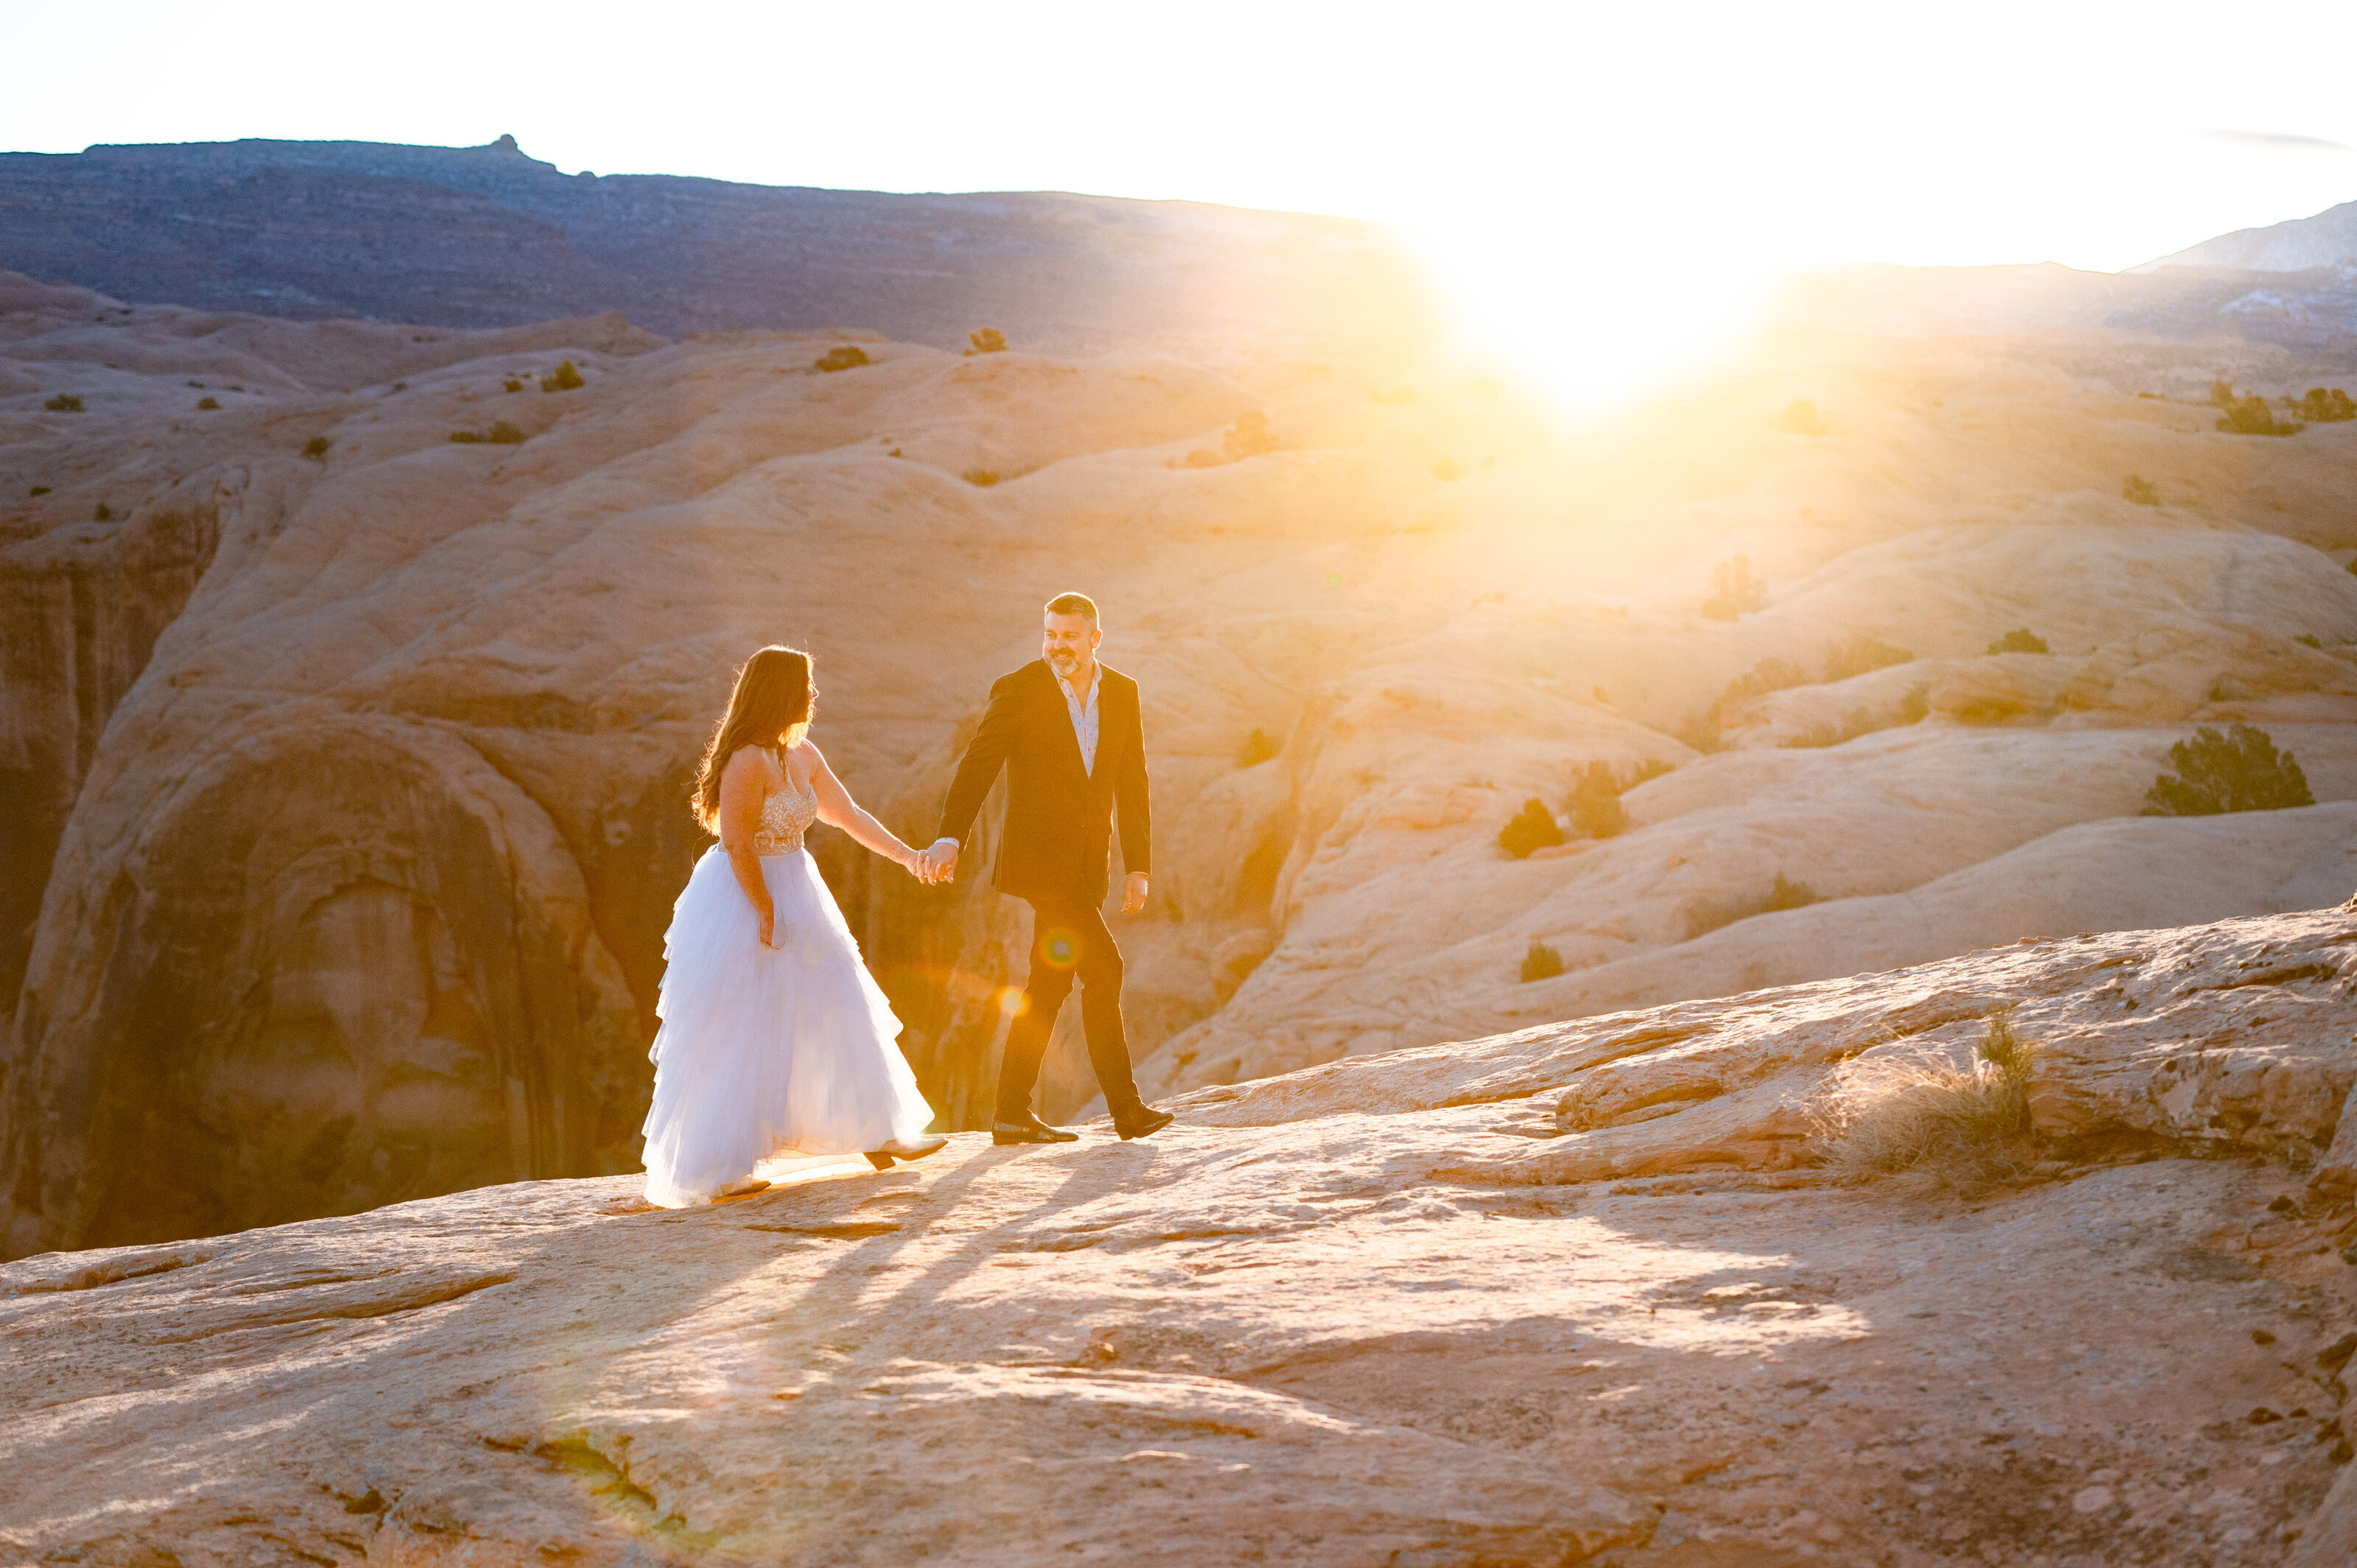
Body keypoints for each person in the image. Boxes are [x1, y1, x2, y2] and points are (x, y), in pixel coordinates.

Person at [641, 646, 944, 1206]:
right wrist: (763, 909)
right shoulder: (746, 761)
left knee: (840, 998)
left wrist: (909, 856)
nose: (813, 695)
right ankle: (725, 1165)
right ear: (778, 691)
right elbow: (735, 842)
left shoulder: (801, 754)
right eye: (805, 685)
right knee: (743, 1020)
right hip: (742, 894)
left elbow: (848, 815)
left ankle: (880, 1129)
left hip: (799, 888)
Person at [916, 593, 1175, 1145]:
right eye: (1051, 634)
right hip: (1040, 866)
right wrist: (950, 835)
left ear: (1094, 639)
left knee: (1048, 985)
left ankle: (1010, 1113)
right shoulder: (1020, 688)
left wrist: (1139, 866)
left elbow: (1133, 783)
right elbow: (978, 765)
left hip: (1087, 867)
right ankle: (1127, 1111)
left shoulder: (1123, 693)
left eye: (1069, 636)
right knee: (1106, 968)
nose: (1058, 646)